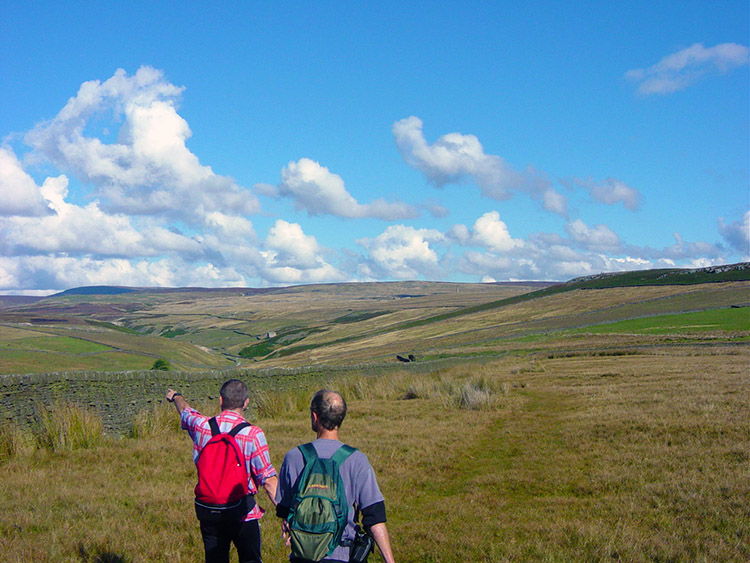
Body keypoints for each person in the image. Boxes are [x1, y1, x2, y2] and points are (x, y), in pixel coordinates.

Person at [275, 389, 396, 563]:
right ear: (341, 418)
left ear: (315, 417)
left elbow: (284, 510)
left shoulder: (294, 456)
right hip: (342, 554)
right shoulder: (357, 460)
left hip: (302, 555)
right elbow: (374, 517)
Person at [166, 380, 278, 563]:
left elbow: (185, 411)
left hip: (209, 510)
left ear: (220, 400)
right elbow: (267, 479)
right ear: (246, 402)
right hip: (243, 512)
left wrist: (176, 396)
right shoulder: (252, 434)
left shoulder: (202, 426)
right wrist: (285, 511)